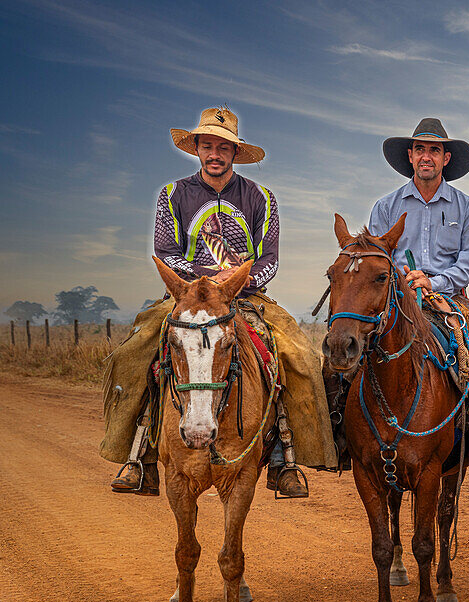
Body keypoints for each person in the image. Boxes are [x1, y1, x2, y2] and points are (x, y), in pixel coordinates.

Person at [102, 107, 337, 498]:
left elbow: (269, 259)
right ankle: (138, 453)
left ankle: (286, 457)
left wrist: (234, 284)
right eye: (207, 145)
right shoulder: (172, 194)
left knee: (300, 355)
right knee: (136, 349)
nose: (215, 153)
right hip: (186, 295)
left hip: (246, 296)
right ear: (196, 148)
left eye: (223, 147)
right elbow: (166, 251)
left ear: (234, 151)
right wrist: (200, 284)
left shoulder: (261, 196)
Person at [357, 117, 469, 489]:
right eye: (420, 149)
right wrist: (404, 281)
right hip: (397, 299)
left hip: (449, 297)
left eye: (434, 150)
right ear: (411, 157)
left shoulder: (466, 206)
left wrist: (435, 281)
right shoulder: (386, 206)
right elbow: (376, 256)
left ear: (446, 158)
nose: (426, 157)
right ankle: (342, 437)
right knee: (350, 347)